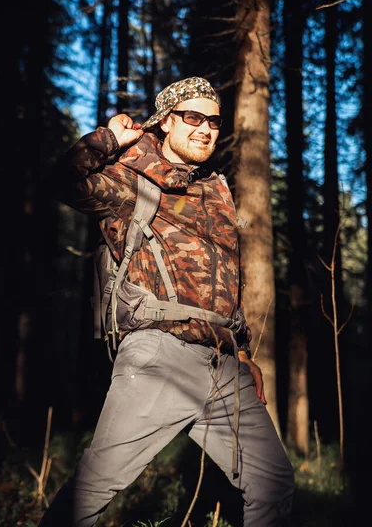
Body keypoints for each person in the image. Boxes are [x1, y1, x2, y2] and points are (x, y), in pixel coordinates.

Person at [39, 77, 295, 526]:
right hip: (160, 353)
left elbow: (222, 280)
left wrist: (238, 348)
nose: (205, 128)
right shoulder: (128, 178)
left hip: (222, 363)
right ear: (165, 121)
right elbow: (60, 181)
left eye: (213, 121)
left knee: (272, 482)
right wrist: (108, 139)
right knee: (95, 490)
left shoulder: (214, 189)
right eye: (192, 117)